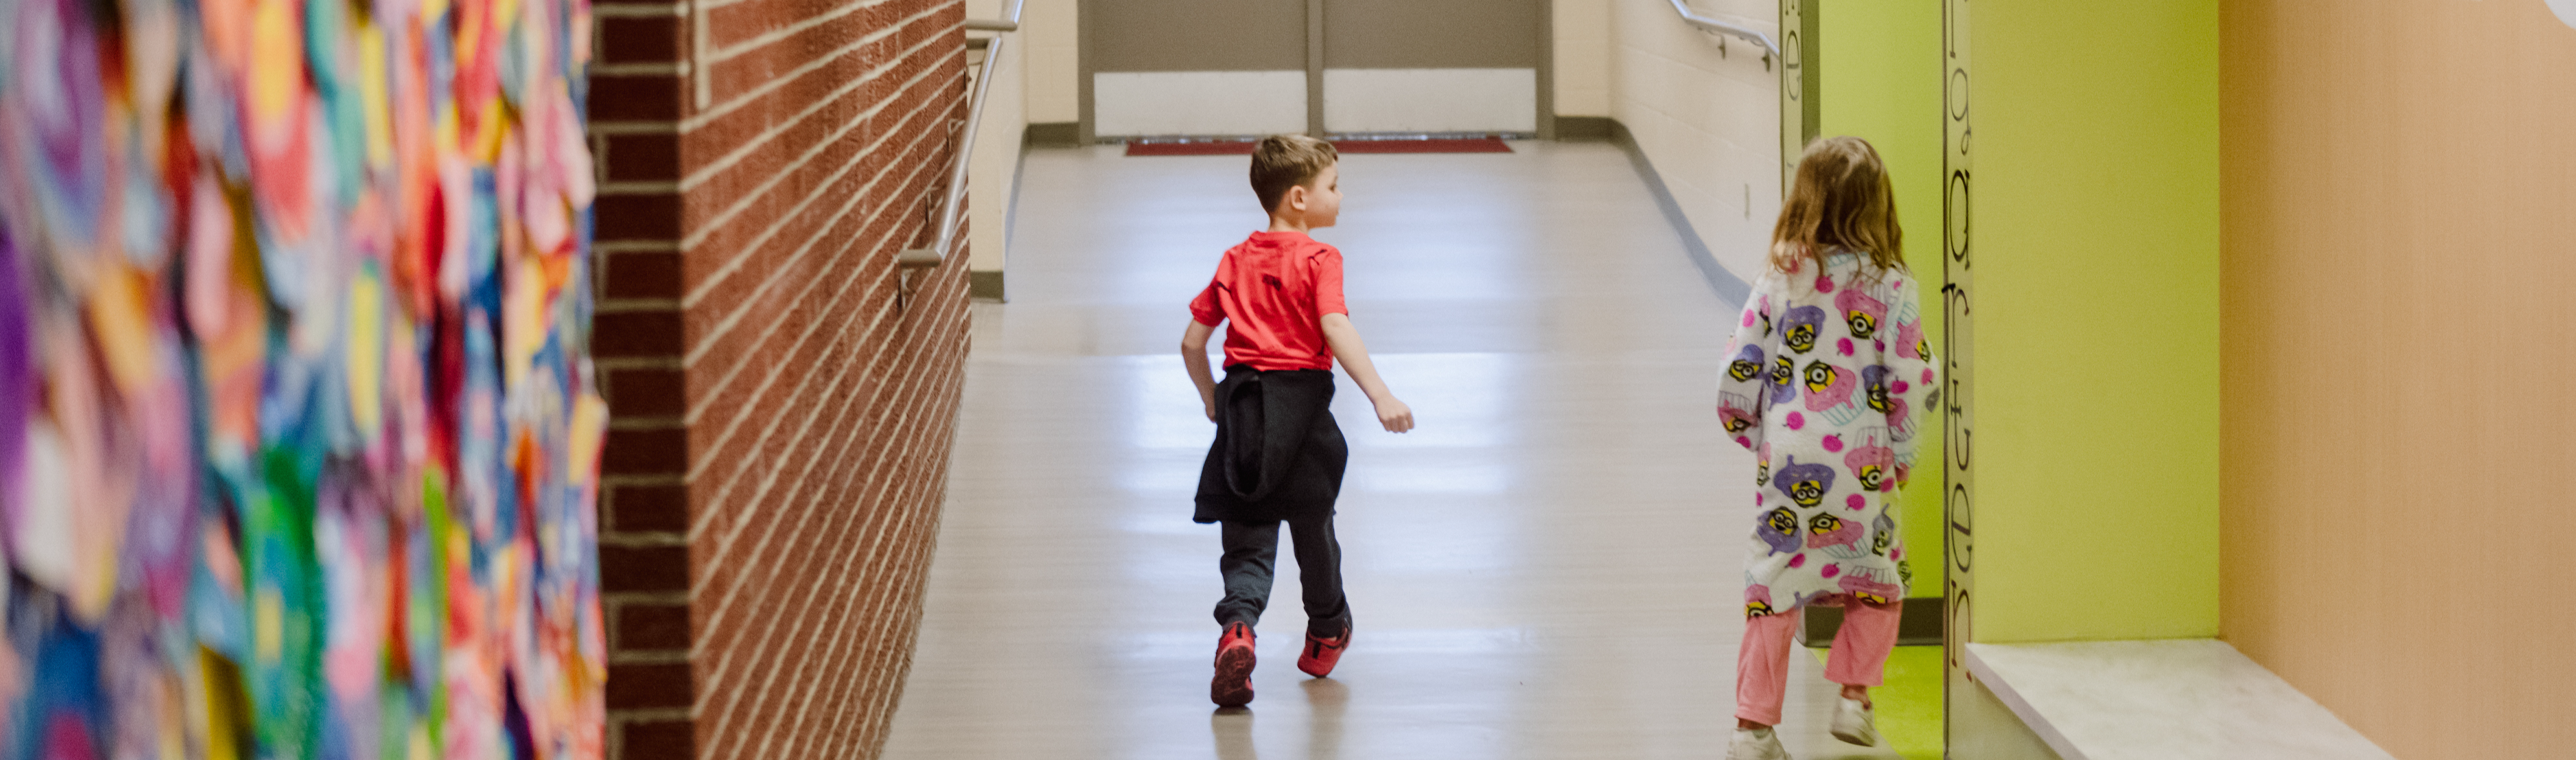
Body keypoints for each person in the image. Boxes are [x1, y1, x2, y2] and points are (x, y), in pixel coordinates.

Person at [1717, 136, 1938, 759]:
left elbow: (1739, 366)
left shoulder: (1778, 279)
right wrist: (1901, 453)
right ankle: (1853, 699)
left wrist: (1750, 431)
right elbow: (1912, 376)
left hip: (1788, 459)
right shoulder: (1892, 284)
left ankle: (1752, 728)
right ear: (1876, 204)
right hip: (1863, 467)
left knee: (1771, 587)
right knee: (1878, 581)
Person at [1182, 134, 1414, 708]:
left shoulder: (1234, 259)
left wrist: (1214, 398)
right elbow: (1334, 327)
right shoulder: (1320, 260)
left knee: (1248, 540)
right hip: (1304, 415)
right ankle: (1325, 632)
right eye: (1332, 186)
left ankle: (1237, 628)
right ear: (1298, 199)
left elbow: (1192, 342)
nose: (1341, 196)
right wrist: (1381, 394)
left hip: (1244, 414)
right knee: (1315, 532)